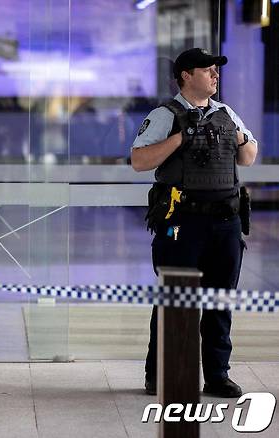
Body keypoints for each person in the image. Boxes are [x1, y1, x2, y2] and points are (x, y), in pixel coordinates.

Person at [131, 48, 258, 398]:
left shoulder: (226, 113)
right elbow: (139, 161)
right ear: (186, 75)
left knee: (220, 303)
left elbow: (248, 158)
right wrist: (180, 138)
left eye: (216, 70)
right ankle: (162, 374)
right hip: (181, 224)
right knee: (175, 303)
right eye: (208, 70)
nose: (215, 75)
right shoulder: (165, 115)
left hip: (226, 222)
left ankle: (217, 376)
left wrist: (238, 136)